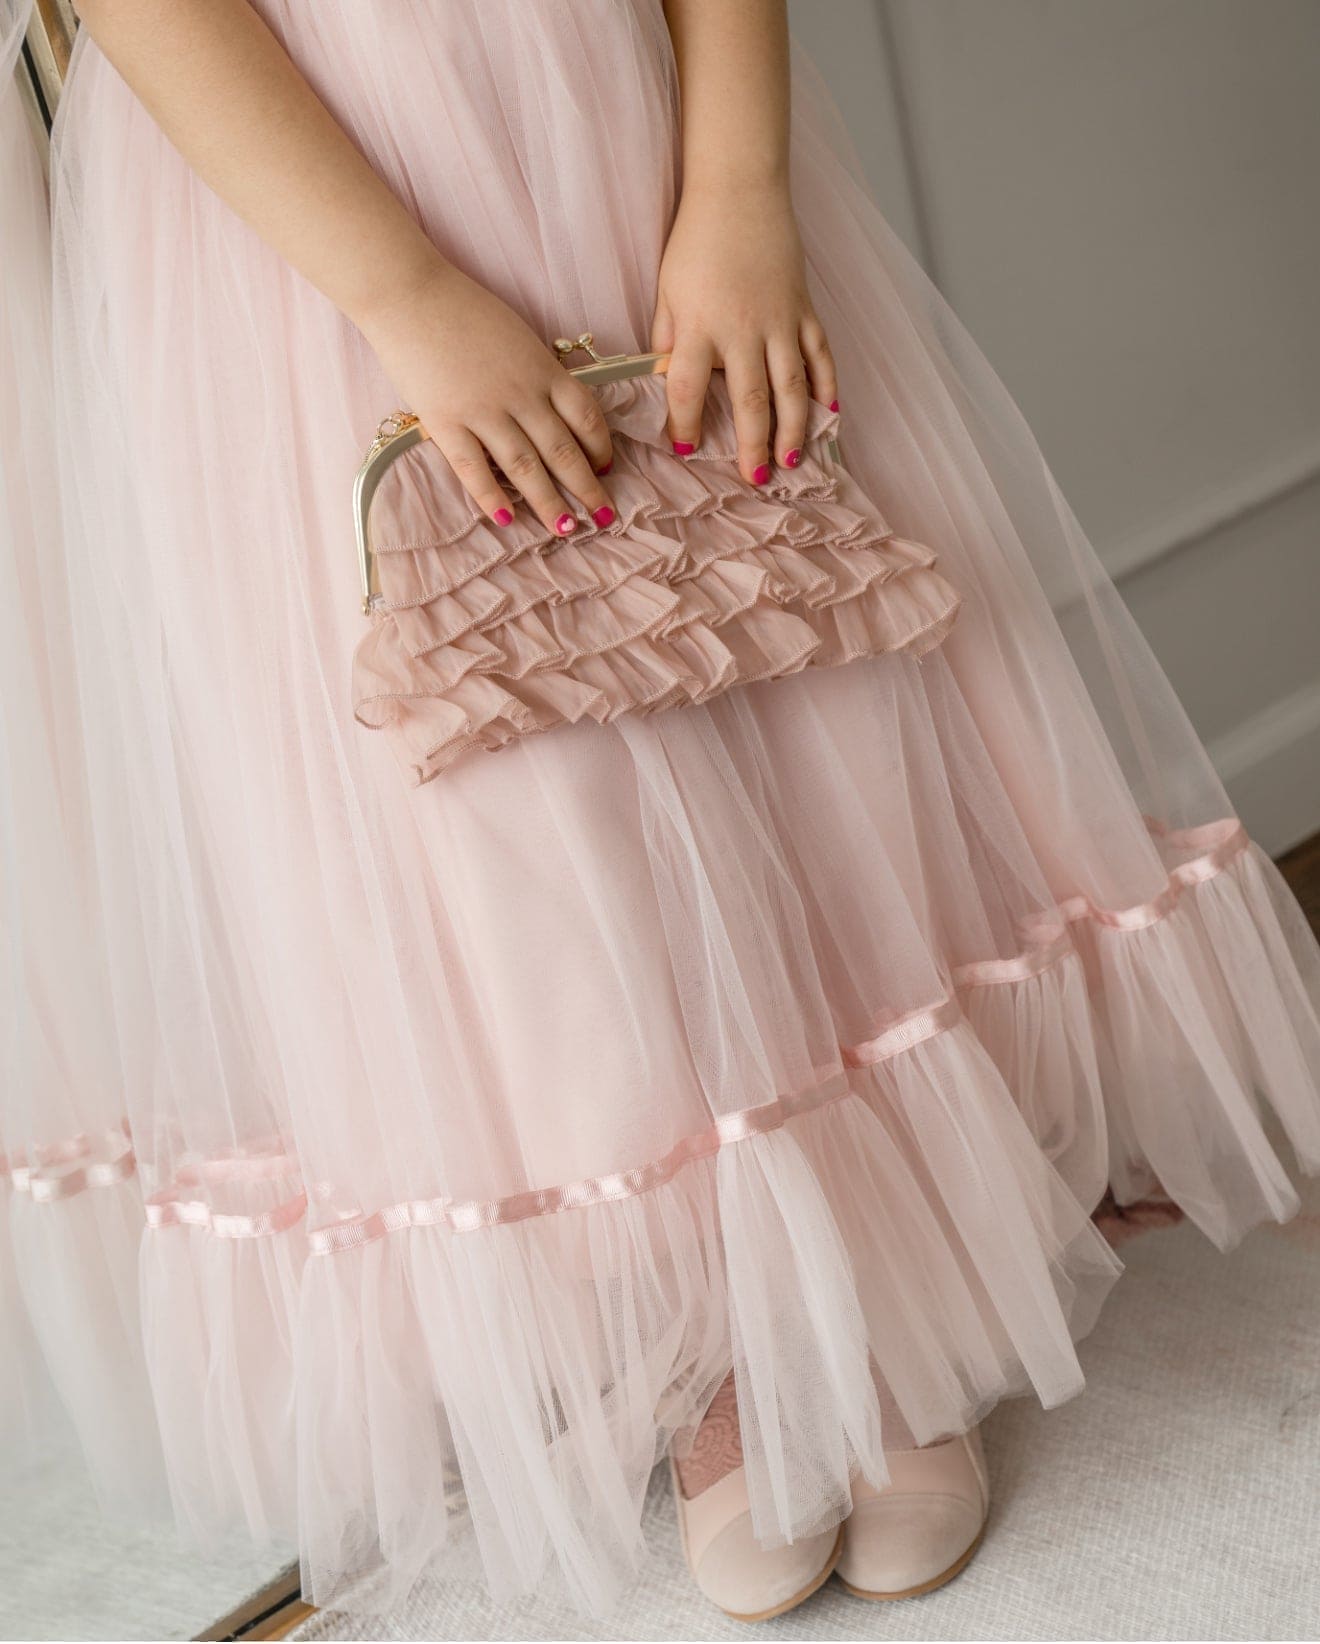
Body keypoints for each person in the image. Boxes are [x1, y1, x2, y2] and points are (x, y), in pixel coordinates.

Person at [6, 0, 1320, 1623]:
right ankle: (716, 1332)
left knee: (794, 691)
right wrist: (403, 292)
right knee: (516, 818)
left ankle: (880, 1288)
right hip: (309, 201)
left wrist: (740, 183)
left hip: (599, 100)